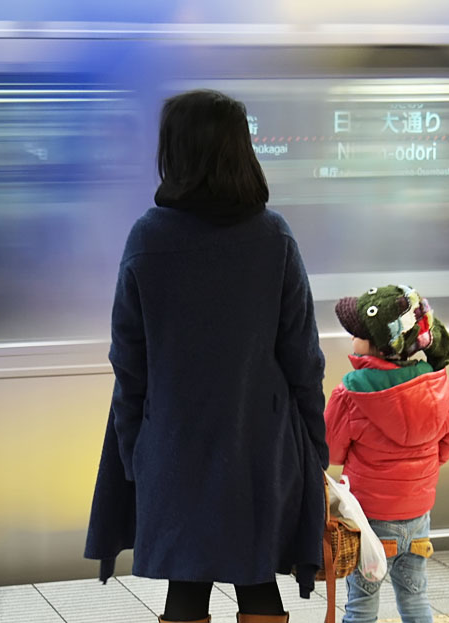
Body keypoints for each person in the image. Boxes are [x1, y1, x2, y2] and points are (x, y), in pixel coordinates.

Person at [84, 89, 329, 623]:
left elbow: (129, 364)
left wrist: (137, 453)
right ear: (239, 150)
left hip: (174, 451)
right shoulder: (273, 237)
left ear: (177, 151)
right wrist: (314, 447)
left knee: (186, 587)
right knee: (258, 579)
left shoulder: (148, 239)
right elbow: (303, 360)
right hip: (260, 452)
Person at [325, 285, 449, 623]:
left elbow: (331, 451)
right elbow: (446, 447)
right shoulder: (438, 388)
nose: (350, 338)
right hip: (418, 517)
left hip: (370, 520)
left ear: (377, 345)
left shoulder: (349, 394)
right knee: (416, 600)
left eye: (356, 332)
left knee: (361, 605)